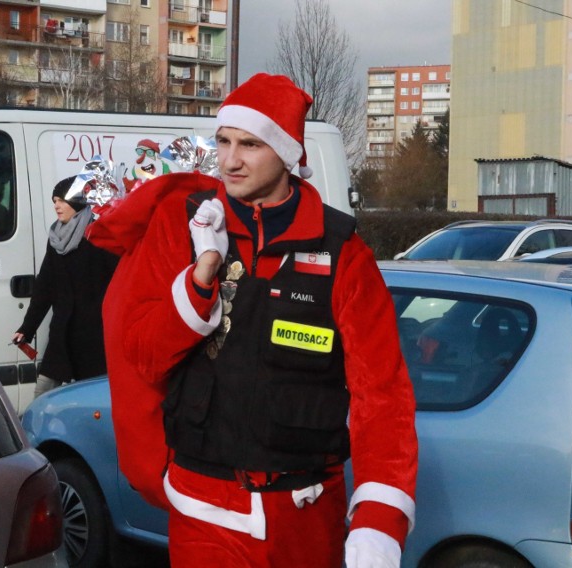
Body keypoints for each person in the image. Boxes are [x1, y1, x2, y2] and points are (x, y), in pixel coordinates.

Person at [86, 73, 418, 567]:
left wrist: (378, 521)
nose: (229, 160)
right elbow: (144, 357)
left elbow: (382, 395)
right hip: (204, 510)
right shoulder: (183, 227)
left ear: (286, 154)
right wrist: (202, 279)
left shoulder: (344, 253)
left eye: (250, 144)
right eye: (223, 141)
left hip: (306, 516)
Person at [12, 176, 118, 399]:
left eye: (62, 201)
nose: (56, 206)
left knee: (90, 397)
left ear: (78, 202)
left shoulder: (98, 235)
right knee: (43, 392)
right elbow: (45, 287)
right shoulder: (56, 238)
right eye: (54, 200)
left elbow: (118, 284)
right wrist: (27, 328)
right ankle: (33, 432)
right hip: (63, 333)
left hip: (93, 336)